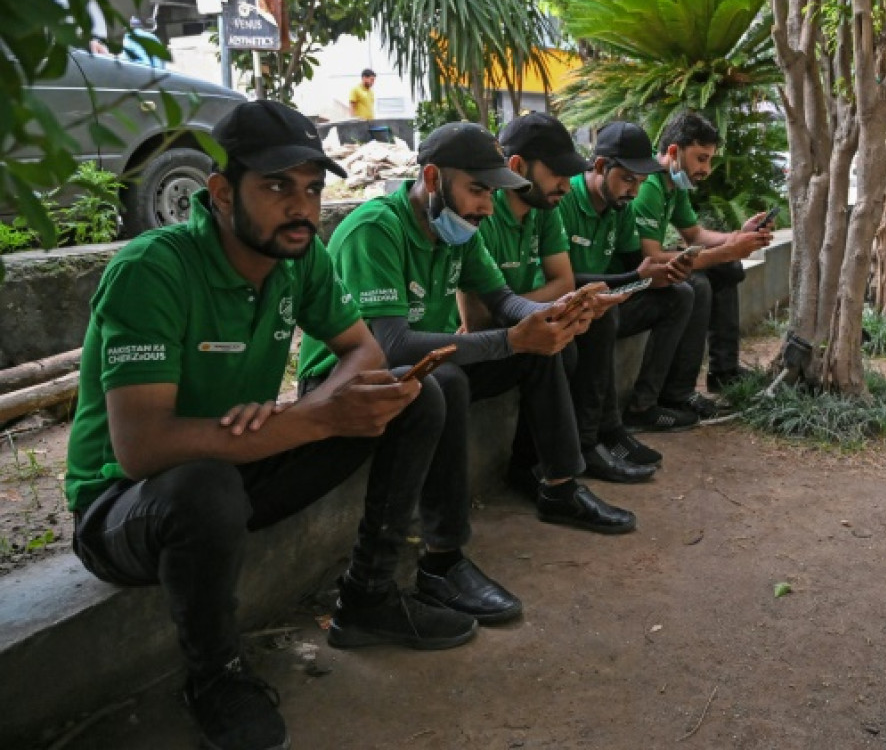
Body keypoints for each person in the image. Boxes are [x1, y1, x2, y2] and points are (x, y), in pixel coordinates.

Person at [64, 100, 475, 750]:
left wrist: (329, 409)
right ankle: (216, 676)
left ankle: (367, 596)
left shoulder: (299, 258)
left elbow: (363, 352)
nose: (302, 208)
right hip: (126, 507)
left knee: (411, 395)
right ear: (222, 192)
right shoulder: (154, 270)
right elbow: (142, 449)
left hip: (236, 467)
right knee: (203, 487)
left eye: (311, 189)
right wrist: (310, 419)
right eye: (277, 187)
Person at [296, 121, 637, 577]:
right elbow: (391, 343)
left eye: (492, 194)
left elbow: (504, 301)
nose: (486, 207)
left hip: (427, 367)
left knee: (539, 350)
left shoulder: (460, 231)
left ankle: (559, 486)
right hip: (342, 379)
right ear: (434, 179)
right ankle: (445, 556)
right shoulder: (376, 229)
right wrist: (510, 338)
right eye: (478, 190)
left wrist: (564, 307)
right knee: (448, 380)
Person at [471, 112, 660, 485]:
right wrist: (544, 306)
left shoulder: (543, 209)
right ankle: (550, 468)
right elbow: (478, 317)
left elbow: (563, 281)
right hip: (476, 339)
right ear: (517, 166)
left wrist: (553, 304)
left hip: (515, 320)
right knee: (555, 347)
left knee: (591, 319)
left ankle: (595, 440)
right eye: (557, 172)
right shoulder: (482, 216)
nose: (567, 185)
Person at [557, 121, 698, 448]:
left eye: (641, 182)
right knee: (601, 317)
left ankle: (644, 406)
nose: (634, 191)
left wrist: (668, 268)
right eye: (628, 180)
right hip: (567, 306)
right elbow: (563, 280)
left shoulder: (618, 207)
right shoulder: (564, 202)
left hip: (604, 299)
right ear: (602, 166)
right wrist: (637, 278)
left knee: (680, 294)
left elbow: (635, 262)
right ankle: (597, 436)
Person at [629, 111, 771, 403]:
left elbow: (694, 235)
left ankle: (724, 370)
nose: (706, 169)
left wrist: (737, 237)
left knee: (728, 268)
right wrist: (727, 249)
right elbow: (653, 257)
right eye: (701, 158)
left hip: (653, 264)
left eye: (709, 159)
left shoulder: (675, 185)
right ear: (673, 151)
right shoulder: (649, 188)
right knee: (699, 284)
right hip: (638, 272)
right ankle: (678, 392)